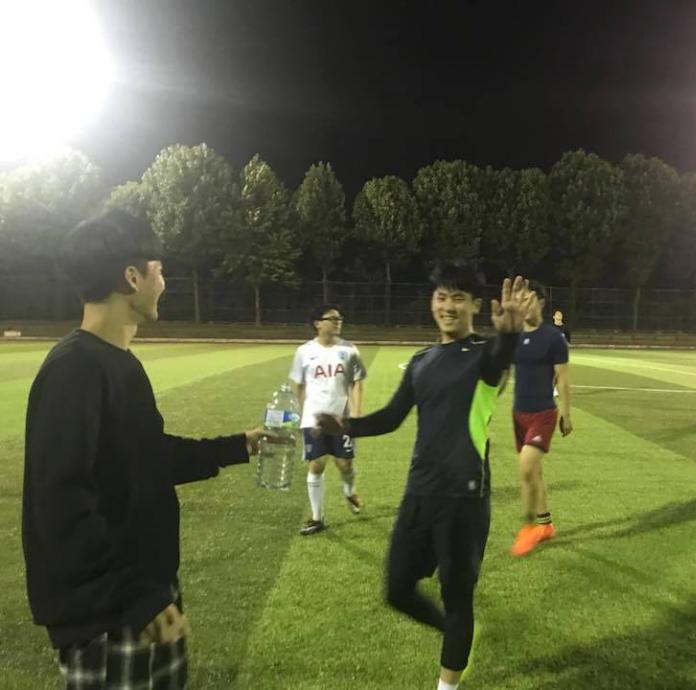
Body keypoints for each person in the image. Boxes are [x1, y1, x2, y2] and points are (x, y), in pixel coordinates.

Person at [21, 209, 271, 688]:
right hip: (111, 614)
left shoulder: (120, 364)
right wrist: (137, 598)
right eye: (159, 270)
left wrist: (237, 446)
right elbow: (62, 504)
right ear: (131, 278)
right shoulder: (74, 369)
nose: (164, 282)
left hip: (145, 598)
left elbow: (146, 459)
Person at [314, 262, 533, 690]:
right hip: (420, 491)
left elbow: (500, 357)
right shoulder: (421, 361)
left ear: (475, 305)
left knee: (457, 596)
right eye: (441, 297)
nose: (448, 306)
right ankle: (457, 634)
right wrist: (345, 426)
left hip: (464, 497)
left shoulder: (485, 356)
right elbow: (392, 417)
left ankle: (448, 678)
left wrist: (509, 335)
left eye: (458, 298)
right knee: (397, 590)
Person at [289, 304, 367, 535]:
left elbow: (357, 383)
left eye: (339, 318)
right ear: (317, 323)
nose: (338, 322)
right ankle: (317, 518)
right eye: (332, 318)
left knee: (345, 464)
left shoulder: (349, 350)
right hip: (314, 419)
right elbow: (298, 385)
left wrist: (356, 414)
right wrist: (306, 412)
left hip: (341, 418)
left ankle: (349, 491)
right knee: (316, 463)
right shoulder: (304, 351)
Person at [509, 281, 572, 557]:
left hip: (544, 413)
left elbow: (563, 379)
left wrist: (566, 414)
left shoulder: (553, 338)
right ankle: (546, 525)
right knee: (535, 472)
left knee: (526, 467)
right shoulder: (513, 337)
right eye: (520, 299)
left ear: (541, 303)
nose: (524, 304)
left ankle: (528, 527)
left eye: (529, 299)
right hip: (518, 414)